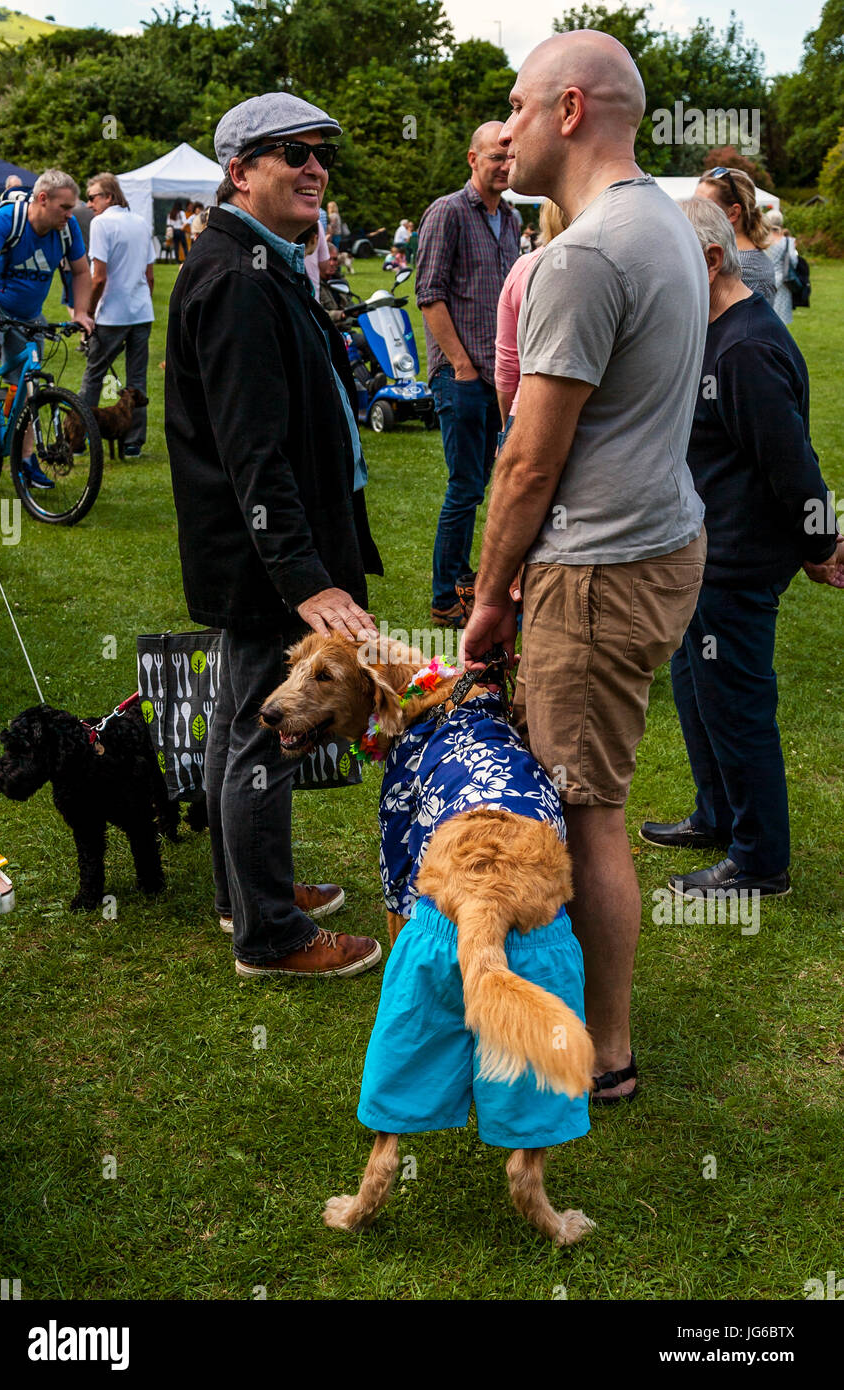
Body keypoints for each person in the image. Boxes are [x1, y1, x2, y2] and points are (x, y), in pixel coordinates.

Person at [463, 31, 710, 1104]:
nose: (503, 128)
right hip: (656, 544)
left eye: (515, 107)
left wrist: (482, 601)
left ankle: (600, 1054)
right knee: (582, 792)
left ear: (568, 110)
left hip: (599, 566)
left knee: (583, 807)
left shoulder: (582, 253)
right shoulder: (662, 220)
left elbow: (525, 461)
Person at [164, 92, 384, 981]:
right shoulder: (236, 277)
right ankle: (271, 938)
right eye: (291, 152)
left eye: (322, 154)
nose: (314, 168)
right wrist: (303, 577)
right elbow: (252, 450)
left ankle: (245, 894)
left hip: (260, 556)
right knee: (265, 738)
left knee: (233, 729)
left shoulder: (260, 261)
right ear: (239, 170)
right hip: (264, 563)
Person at [640, 198, 843, 899]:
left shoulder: (746, 346)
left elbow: (795, 466)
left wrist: (821, 543)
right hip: (701, 555)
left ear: (712, 262)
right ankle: (718, 815)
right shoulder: (712, 330)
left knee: (736, 704)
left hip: (736, 565)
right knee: (697, 691)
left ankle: (760, 863)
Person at [416, 121, 521, 628]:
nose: (504, 165)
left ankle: (465, 582)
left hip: (498, 376)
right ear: (471, 159)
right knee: (464, 487)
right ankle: (443, 598)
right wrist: (459, 366)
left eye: (509, 156)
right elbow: (429, 293)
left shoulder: (514, 219)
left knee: (487, 482)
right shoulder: (449, 212)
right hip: (461, 375)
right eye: (494, 157)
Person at [0, 168, 94, 489]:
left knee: (28, 388)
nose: (71, 214)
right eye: (65, 207)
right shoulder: (7, 219)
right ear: (42, 199)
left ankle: (25, 460)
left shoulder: (67, 229)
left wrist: (82, 312)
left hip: (29, 313)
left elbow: (81, 272)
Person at [78, 172, 155, 459]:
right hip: (141, 311)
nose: (88, 204)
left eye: (92, 197)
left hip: (112, 313)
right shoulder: (140, 222)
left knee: (94, 375)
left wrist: (87, 312)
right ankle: (133, 442)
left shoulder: (101, 223)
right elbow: (149, 275)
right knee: (137, 379)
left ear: (109, 196)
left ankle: (79, 437)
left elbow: (98, 278)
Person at [495, 199, 566, 426]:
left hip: (524, 408)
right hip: (595, 421)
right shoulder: (610, 268)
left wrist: (508, 425)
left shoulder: (524, 266)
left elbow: (507, 364)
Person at [695, 167, 775, 305]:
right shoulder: (730, 258)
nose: (694, 211)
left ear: (733, 213)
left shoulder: (747, 269)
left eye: (704, 206)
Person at [765, 208, 799, 326]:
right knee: (781, 323)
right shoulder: (788, 241)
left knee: (764, 318)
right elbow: (794, 262)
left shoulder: (762, 240)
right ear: (781, 223)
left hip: (765, 280)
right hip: (783, 282)